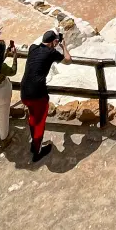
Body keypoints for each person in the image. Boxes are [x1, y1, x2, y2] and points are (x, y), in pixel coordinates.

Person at [20, 30, 71, 163]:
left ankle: (33, 145)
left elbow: (41, 47)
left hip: (24, 91)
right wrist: (63, 46)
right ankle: (37, 152)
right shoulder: (51, 52)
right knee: (39, 122)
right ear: (53, 42)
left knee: (32, 117)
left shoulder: (33, 48)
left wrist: (53, 41)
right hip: (37, 93)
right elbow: (68, 60)